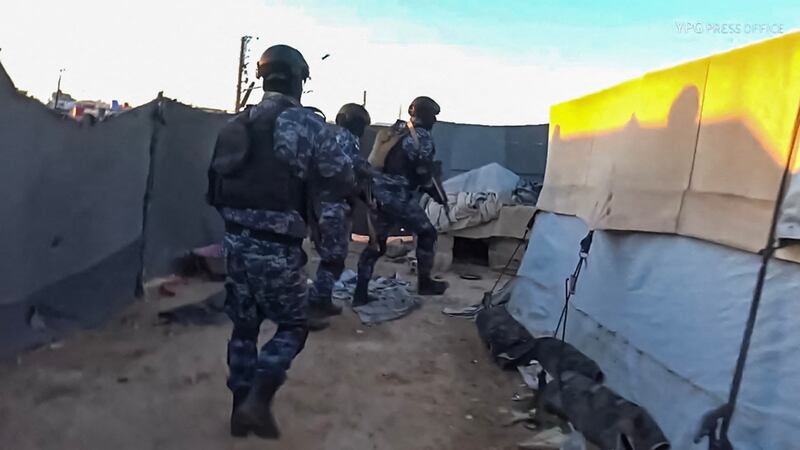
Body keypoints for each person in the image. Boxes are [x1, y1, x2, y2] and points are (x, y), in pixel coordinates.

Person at [206, 44, 350, 439]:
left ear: (262, 76)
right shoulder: (309, 125)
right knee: (293, 325)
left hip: (234, 243)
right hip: (277, 247)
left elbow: (216, 186)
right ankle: (258, 399)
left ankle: (239, 411)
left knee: (244, 328)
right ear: (300, 80)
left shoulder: (237, 124)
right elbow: (339, 178)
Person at [354, 96, 449, 306]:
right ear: (425, 116)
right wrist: (437, 195)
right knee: (427, 232)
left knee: (376, 244)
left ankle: (359, 293)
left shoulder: (397, 131)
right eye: (433, 116)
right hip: (396, 194)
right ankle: (424, 284)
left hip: (377, 193)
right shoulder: (422, 137)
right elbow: (423, 172)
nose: (434, 121)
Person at [308, 103, 372, 320]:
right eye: (361, 124)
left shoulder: (338, 139)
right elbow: (349, 173)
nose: (363, 129)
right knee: (334, 259)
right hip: (333, 206)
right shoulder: (346, 141)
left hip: (329, 205)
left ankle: (320, 298)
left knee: (332, 257)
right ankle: (317, 302)